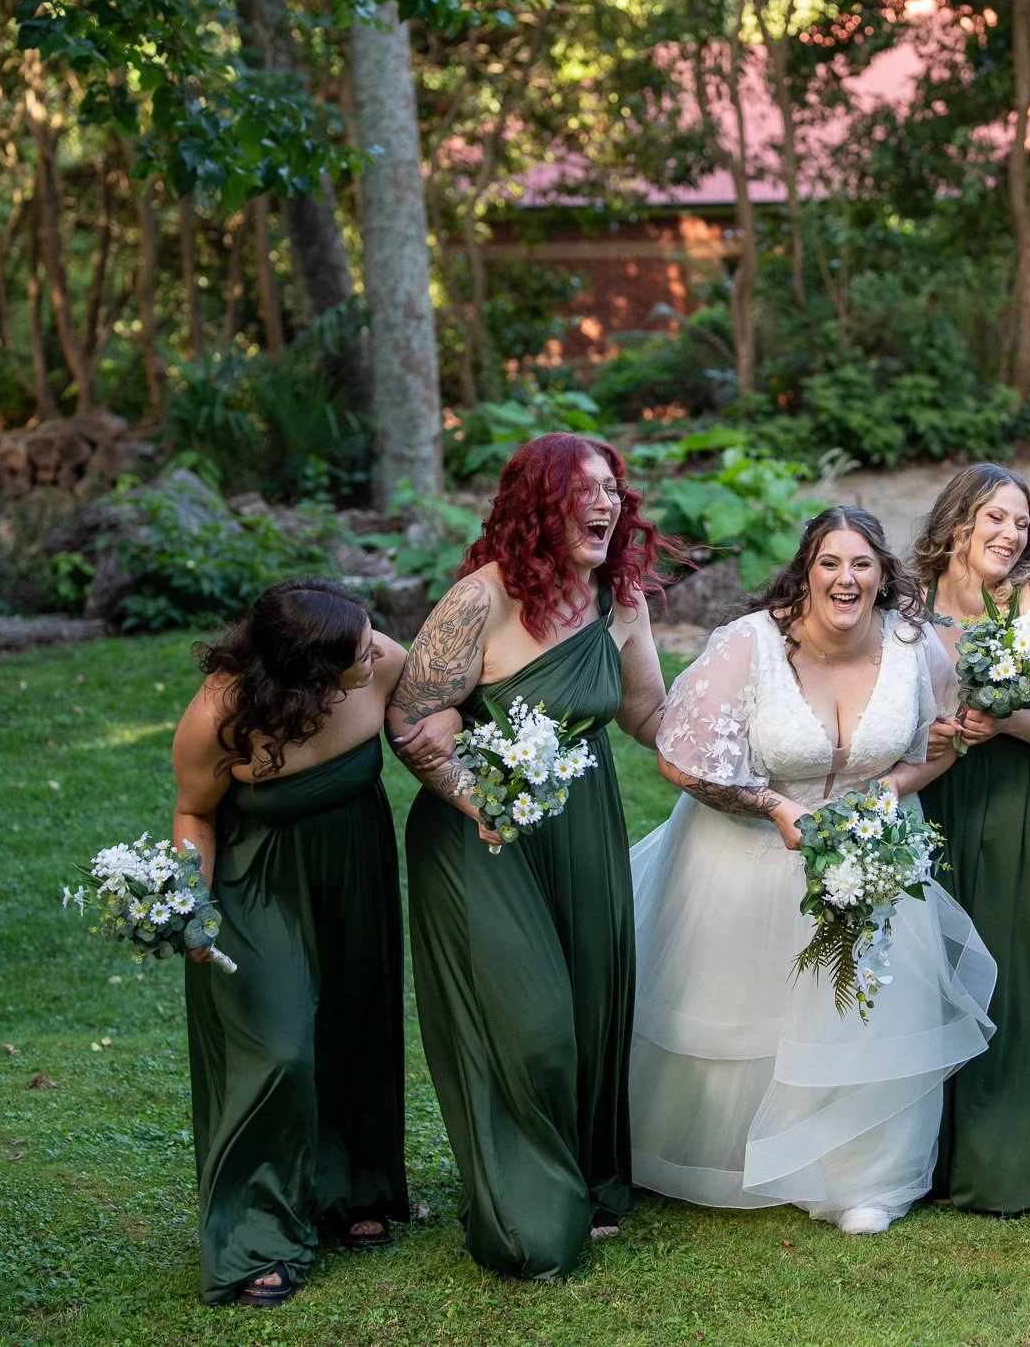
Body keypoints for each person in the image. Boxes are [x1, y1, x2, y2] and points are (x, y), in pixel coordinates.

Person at [629, 505, 997, 1236]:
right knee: (747, 1010)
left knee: (862, 1010)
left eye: (862, 563)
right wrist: (770, 804)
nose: (846, 577)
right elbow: (678, 758)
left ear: (882, 576)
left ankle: (861, 1175)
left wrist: (880, 798)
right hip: (741, 856)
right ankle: (731, 1155)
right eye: (830, 562)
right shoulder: (749, 644)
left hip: (871, 855)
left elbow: (942, 742)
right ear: (806, 570)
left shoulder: (913, 645)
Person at [387, 432, 674, 1279]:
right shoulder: (480, 600)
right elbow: (411, 723)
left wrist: (747, 747)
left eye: (613, 490)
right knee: (536, 1024)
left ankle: (588, 1176)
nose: (605, 504)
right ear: (535, 506)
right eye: (582, 491)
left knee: (592, 1004)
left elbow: (649, 714)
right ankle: (525, 1206)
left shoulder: (620, 598)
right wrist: (485, 799)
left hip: (583, 814)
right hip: (481, 834)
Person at [170, 577, 411, 1307]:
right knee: (278, 1048)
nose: (374, 653)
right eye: (356, 650)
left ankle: (352, 1189)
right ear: (307, 671)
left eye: (370, 637)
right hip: (260, 880)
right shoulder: (222, 714)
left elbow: (435, 721)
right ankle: (258, 1231)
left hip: (355, 868)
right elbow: (193, 812)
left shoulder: (383, 662)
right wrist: (190, 908)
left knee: (354, 1024)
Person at [910, 464, 1030, 1215]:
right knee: (933, 971)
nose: (1009, 534)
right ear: (958, 521)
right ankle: (927, 1153)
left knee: (1014, 964)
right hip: (931, 797)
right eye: (995, 517)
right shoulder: (908, 604)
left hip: (1020, 804)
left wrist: (1005, 721)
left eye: (1020, 522)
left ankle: (1006, 1159)